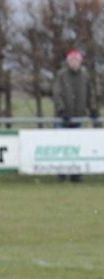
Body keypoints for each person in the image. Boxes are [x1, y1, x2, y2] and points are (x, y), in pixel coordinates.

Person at [53, 49, 98, 182]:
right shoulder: (61, 75)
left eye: (77, 60)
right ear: (68, 62)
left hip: (78, 117)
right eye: (72, 60)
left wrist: (93, 110)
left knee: (77, 146)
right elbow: (57, 94)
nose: (74, 63)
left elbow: (90, 94)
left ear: (80, 62)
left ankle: (76, 173)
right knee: (62, 146)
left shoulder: (85, 76)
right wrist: (61, 110)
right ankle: (61, 173)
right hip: (63, 118)